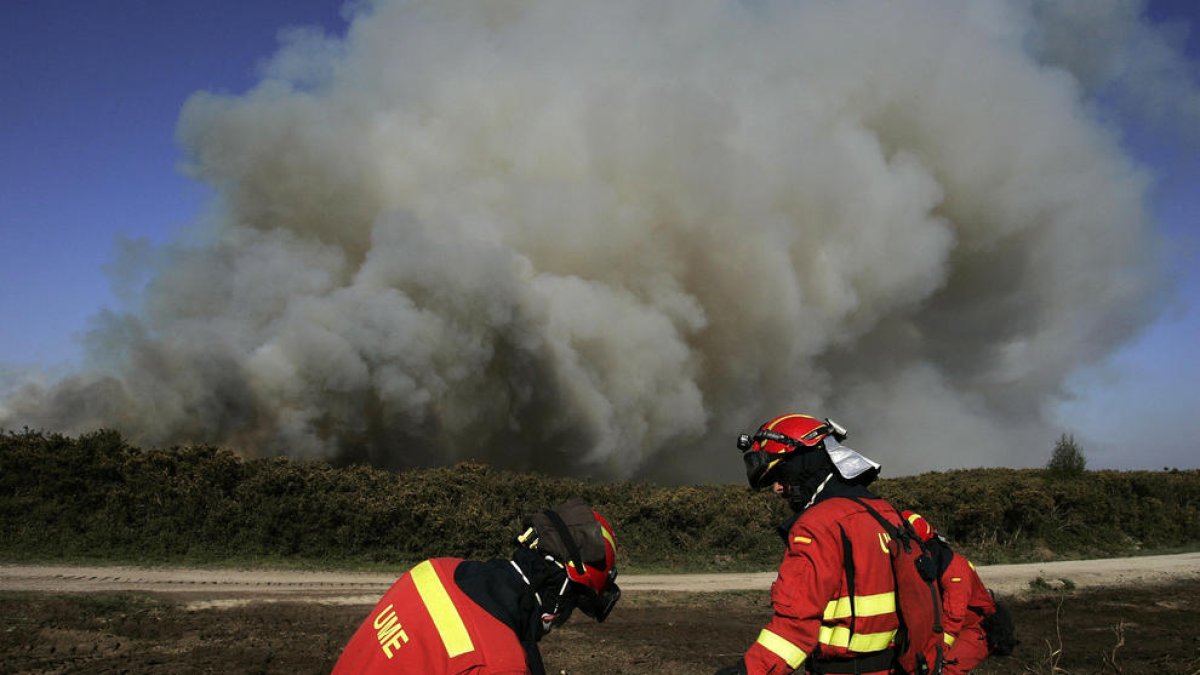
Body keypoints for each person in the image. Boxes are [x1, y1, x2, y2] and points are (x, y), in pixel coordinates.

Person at [331, 497, 620, 675]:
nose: (564, 619)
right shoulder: (499, 665)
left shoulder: (434, 570)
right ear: (562, 591)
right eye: (575, 602)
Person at [714, 412, 902, 675]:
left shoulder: (818, 525)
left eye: (780, 475)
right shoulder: (886, 514)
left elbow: (794, 630)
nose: (777, 489)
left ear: (803, 463)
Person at [901, 511, 999, 675]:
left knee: (947, 668)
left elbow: (954, 617)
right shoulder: (929, 562)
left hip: (975, 628)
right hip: (943, 626)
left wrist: (938, 651)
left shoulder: (954, 569)